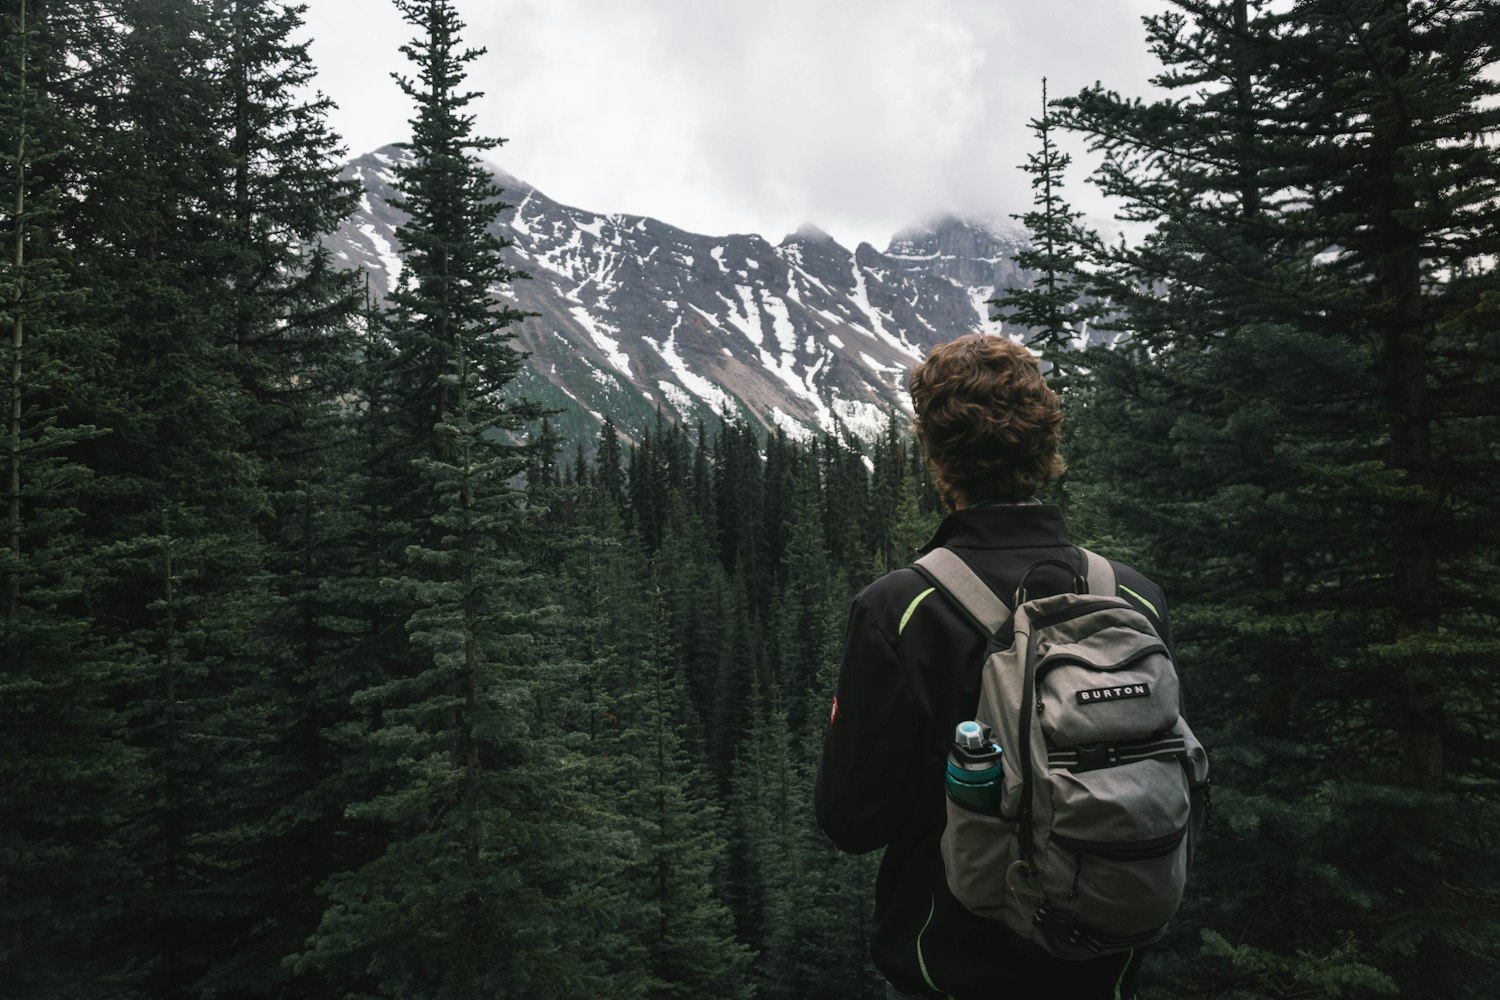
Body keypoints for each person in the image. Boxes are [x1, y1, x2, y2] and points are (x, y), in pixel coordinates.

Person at [814, 333, 1167, 1000]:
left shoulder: (901, 607)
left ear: (936, 454)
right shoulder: (1133, 595)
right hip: (1102, 963)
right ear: (1045, 444)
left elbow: (851, 821)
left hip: (950, 969)